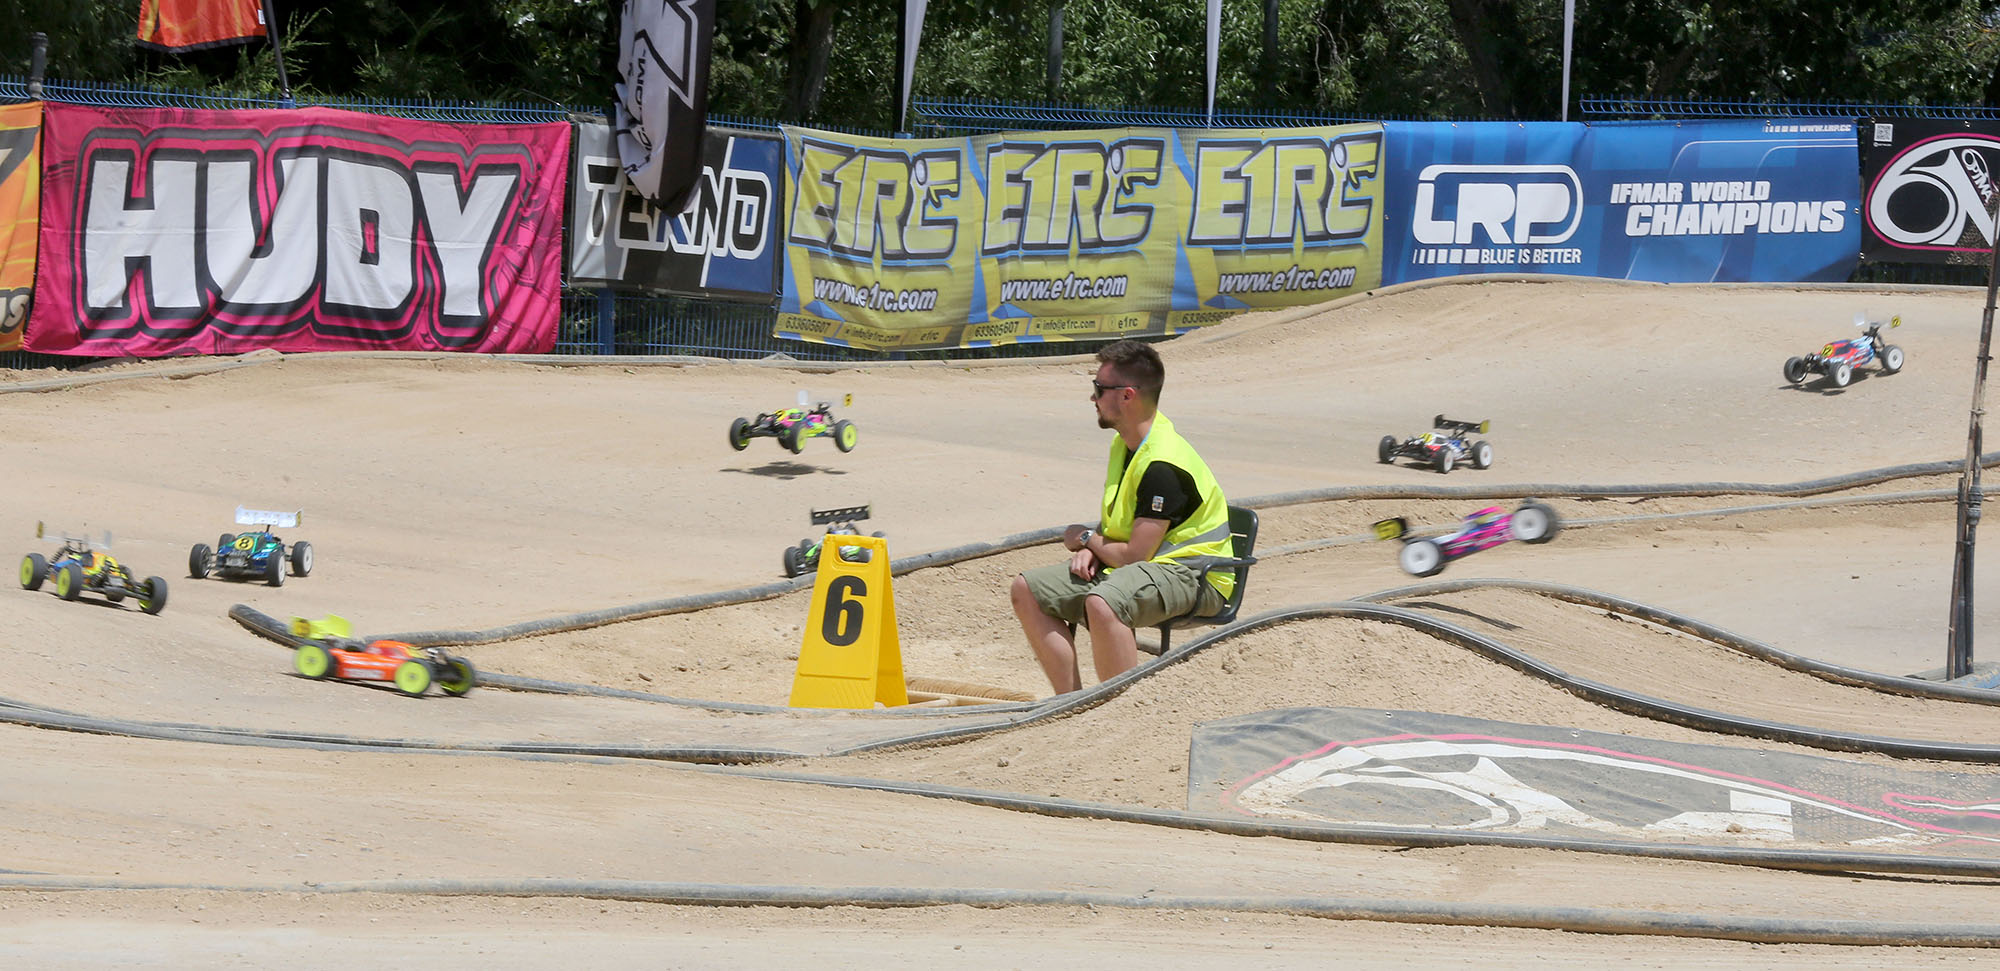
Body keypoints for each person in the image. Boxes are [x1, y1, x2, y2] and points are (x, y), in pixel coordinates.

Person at [1009, 339, 1234, 694]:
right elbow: (1122, 523)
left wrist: (1085, 539)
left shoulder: (1163, 463)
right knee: (1028, 590)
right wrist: (1095, 546)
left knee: (1104, 603)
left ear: (1127, 395)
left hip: (1194, 575)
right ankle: (1071, 705)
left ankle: (1121, 711)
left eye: (1099, 389)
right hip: (1147, 569)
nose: (1092, 398)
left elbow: (1133, 557)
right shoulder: (1126, 444)